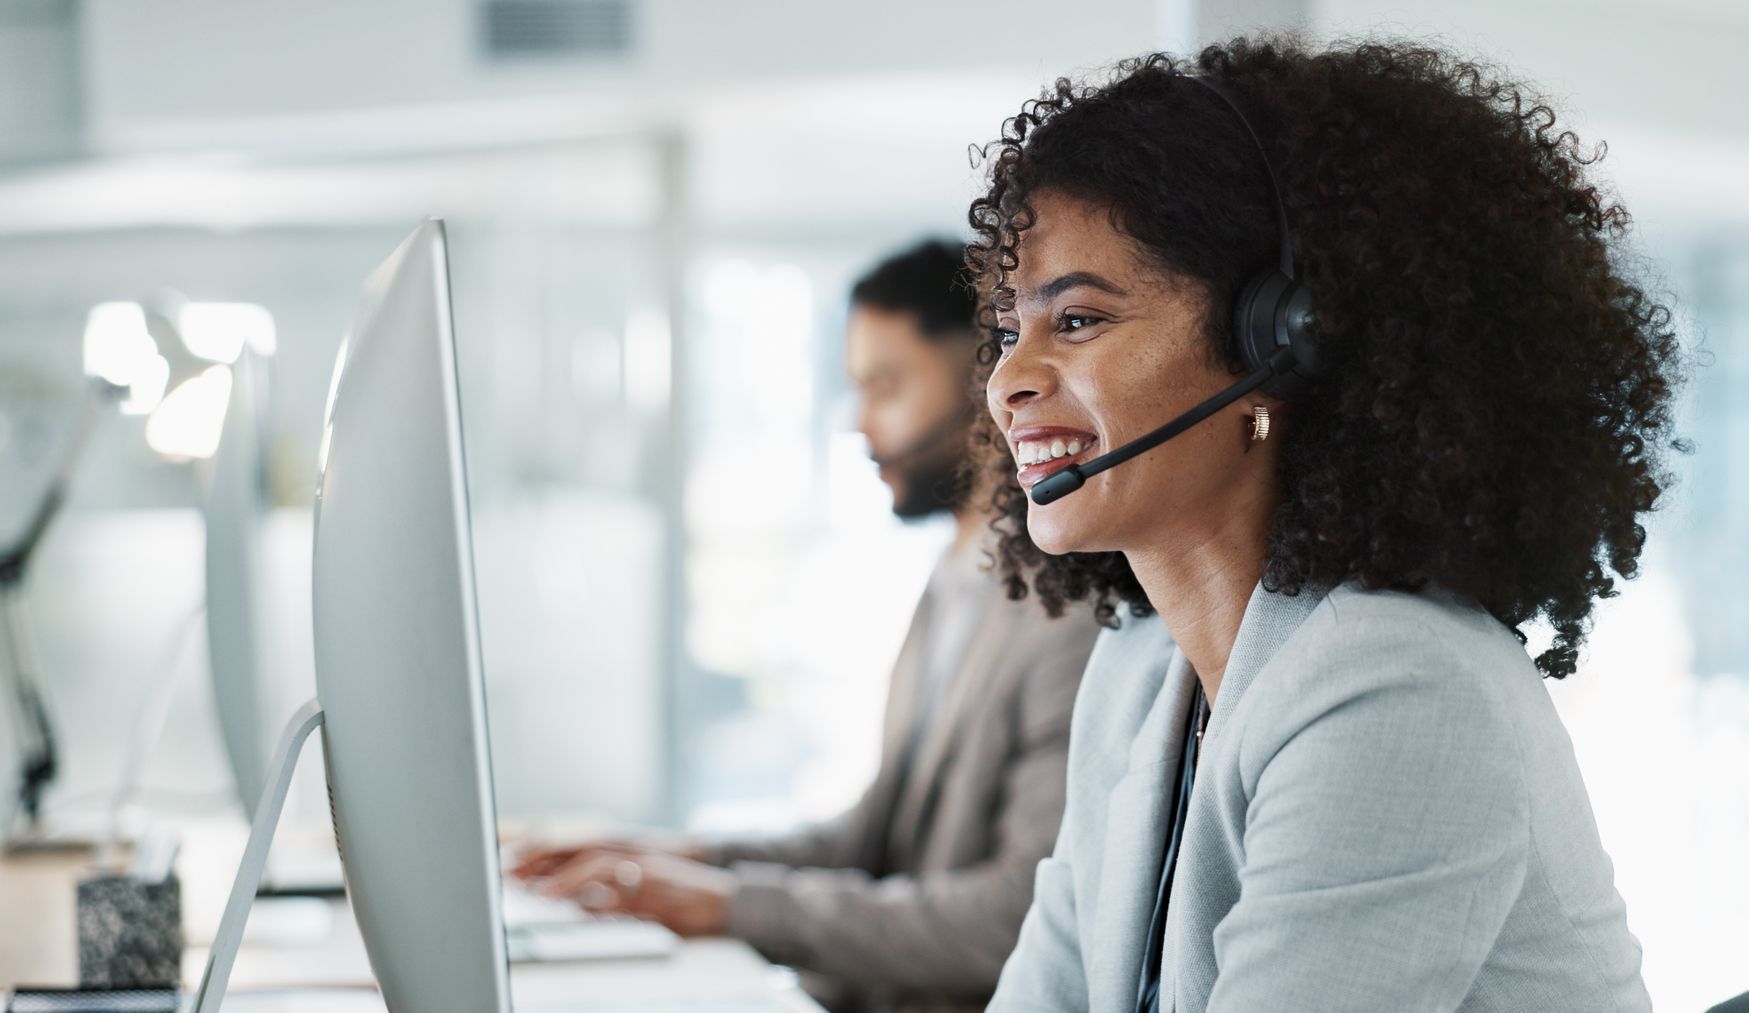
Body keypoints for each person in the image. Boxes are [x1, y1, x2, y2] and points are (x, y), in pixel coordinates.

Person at [970, 36, 1683, 1012]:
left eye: (1080, 320)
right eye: (1012, 331)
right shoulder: (1138, 673)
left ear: (1283, 342)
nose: (1010, 379)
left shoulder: (1397, 685)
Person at [512, 240, 1100, 1013]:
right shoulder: (957, 580)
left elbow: (1012, 915)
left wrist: (728, 905)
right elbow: (876, 835)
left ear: (981, 377)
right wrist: (671, 858)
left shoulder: (1068, 613)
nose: (861, 426)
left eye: (886, 387)